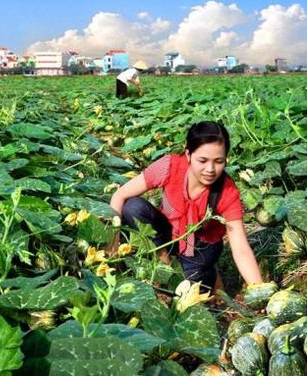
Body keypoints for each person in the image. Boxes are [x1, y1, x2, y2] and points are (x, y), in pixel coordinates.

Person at [109, 121, 264, 292]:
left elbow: (241, 248)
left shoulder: (227, 191)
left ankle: (209, 273)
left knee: (188, 288)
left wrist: (259, 290)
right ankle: (164, 262)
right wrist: (113, 239)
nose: (210, 169)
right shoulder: (169, 166)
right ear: (188, 155)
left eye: (219, 161)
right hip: (168, 234)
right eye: (202, 160)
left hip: (201, 245)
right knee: (133, 207)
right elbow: (120, 195)